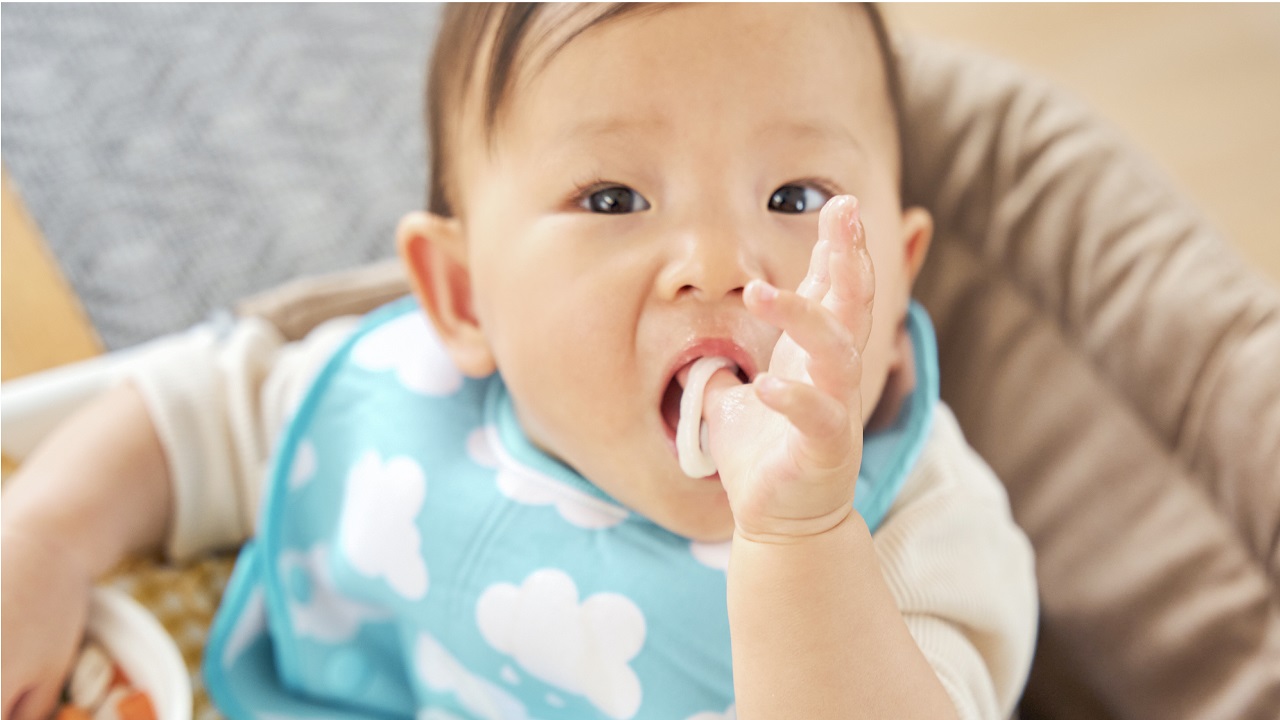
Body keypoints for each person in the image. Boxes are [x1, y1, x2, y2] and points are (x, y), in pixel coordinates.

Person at [1, 4, 1038, 719]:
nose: (717, 264)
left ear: (895, 287)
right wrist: (42, 543)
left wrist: (803, 539)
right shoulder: (408, 395)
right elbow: (190, 419)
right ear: (460, 296)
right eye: (612, 200)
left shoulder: (918, 533)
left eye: (796, 199)